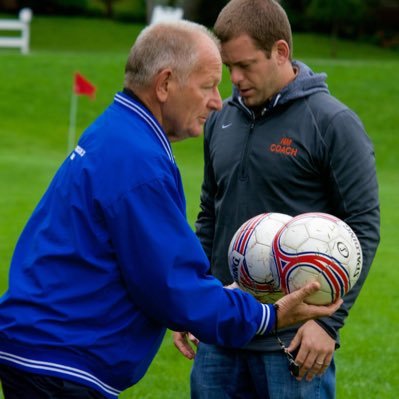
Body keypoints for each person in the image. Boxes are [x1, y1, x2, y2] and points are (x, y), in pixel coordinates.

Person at [0, 20, 341, 399]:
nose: (217, 100)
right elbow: (173, 288)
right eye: (208, 85)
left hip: (41, 349)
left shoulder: (118, 130)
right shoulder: (137, 158)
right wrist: (269, 315)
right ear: (164, 84)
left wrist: (217, 295)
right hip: (60, 363)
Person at [173, 1, 380, 398]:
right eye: (228, 65)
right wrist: (192, 302)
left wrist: (327, 325)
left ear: (281, 52)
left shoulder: (332, 123)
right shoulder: (221, 118)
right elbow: (208, 216)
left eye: (245, 65)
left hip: (293, 343)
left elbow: (364, 227)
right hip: (221, 330)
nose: (234, 78)